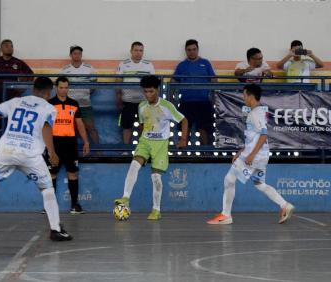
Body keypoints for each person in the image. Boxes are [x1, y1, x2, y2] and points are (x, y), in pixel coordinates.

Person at [0, 77, 72, 241]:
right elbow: (45, 127)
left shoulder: (16, 101)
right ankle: (55, 229)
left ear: (33, 89)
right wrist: (52, 152)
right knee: (47, 189)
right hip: (30, 155)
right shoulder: (49, 107)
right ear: (48, 92)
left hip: (6, 151)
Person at [207, 84, 295, 225]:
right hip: (260, 155)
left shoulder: (255, 114)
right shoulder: (256, 112)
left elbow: (264, 135)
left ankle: (226, 215)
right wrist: (241, 151)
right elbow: (253, 137)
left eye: (244, 95)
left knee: (229, 179)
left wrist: (251, 155)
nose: (243, 97)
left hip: (255, 156)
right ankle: (285, 205)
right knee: (259, 183)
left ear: (250, 96)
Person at [114, 75, 188, 220]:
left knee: (156, 178)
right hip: (145, 142)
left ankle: (156, 210)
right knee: (134, 165)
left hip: (160, 144)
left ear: (157, 90)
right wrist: (141, 139)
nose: (148, 95)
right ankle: (125, 198)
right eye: (146, 92)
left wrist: (183, 139)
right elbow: (142, 124)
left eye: (151, 92)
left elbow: (184, 120)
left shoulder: (167, 106)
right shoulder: (141, 106)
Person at [43, 76, 90, 214]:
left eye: (66, 87)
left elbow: (80, 124)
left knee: (73, 173)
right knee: (52, 174)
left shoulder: (74, 104)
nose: (64, 90)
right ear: (56, 87)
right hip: (54, 142)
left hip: (70, 143)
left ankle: (75, 205)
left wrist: (86, 141)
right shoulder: (49, 104)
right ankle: (49, 207)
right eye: (61, 87)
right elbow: (44, 126)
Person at [173, 39, 216, 145]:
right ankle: (183, 154)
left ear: (198, 49)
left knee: (204, 128)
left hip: (204, 102)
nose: (192, 51)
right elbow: (173, 81)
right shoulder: (181, 65)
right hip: (186, 102)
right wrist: (171, 98)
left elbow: (214, 80)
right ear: (186, 51)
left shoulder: (205, 63)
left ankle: (205, 154)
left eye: (194, 49)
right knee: (185, 128)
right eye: (189, 50)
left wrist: (214, 97)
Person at [116, 42, 155, 145]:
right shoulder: (123, 64)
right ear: (131, 51)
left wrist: (153, 101)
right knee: (126, 126)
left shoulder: (148, 65)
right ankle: (126, 150)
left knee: (144, 126)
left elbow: (154, 85)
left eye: (140, 50)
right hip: (127, 101)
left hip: (144, 102)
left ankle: (143, 148)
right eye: (136, 50)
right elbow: (118, 81)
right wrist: (118, 98)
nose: (138, 53)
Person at [59, 45, 99, 144]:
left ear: (81, 55)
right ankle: (68, 152)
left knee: (91, 128)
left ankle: (98, 152)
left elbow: (94, 85)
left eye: (79, 53)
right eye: (75, 53)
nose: (77, 55)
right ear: (70, 55)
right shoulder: (64, 69)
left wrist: (84, 93)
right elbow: (61, 86)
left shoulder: (89, 68)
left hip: (85, 104)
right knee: (68, 129)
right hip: (69, 106)